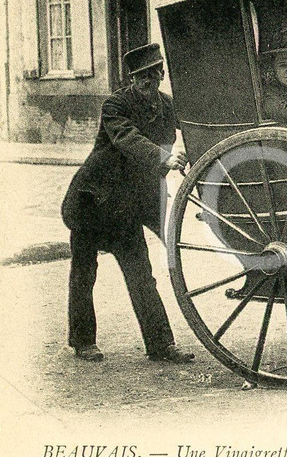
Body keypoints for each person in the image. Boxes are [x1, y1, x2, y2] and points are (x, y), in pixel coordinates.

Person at [61, 43, 195, 364]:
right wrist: (165, 156)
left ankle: (161, 346)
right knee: (84, 272)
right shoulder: (115, 105)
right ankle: (83, 341)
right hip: (93, 202)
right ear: (131, 80)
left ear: (162, 74)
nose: (149, 82)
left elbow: (194, 125)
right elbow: (128, 140)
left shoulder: (167, 105)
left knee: (141, 275)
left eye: (154, 74)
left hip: (126, 209)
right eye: (142, 77)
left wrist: (194, 150)